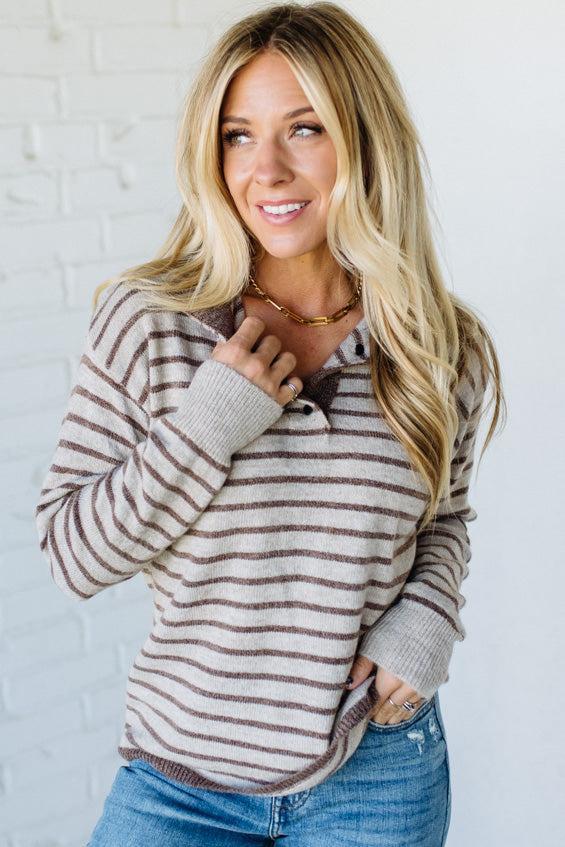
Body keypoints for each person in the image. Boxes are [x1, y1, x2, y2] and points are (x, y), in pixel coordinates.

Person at [35, 2, 505, 844]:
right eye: (237, 135)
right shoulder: (150, 321)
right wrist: (206, 424)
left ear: (365, 139)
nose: (268, 170)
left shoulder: (438, 341)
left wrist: (426, 620)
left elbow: (443, 517)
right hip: (179, 778)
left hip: (376, 766)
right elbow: (72, 552)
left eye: (305, 128)